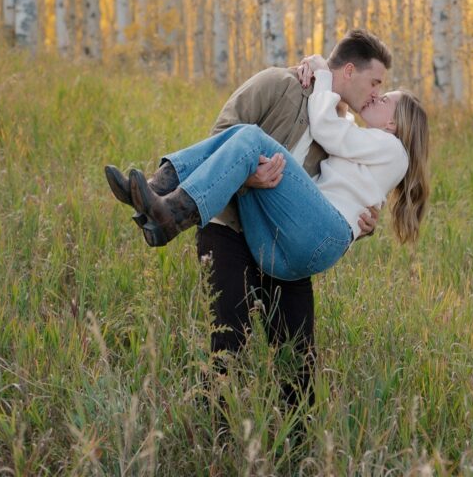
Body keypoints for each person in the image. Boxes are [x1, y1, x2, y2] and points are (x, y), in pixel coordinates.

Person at [104, 30, 412, 405]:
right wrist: (248, 178)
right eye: (375, 82)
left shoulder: (338, 123)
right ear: (349, 71)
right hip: (231, 225)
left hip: (284, 237)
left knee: (297, 362)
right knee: (228, 342)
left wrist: (365, 225)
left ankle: (297, 454)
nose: (377, 93)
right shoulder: (278, 83)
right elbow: (221, 137)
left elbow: (349, 194)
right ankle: (215, 441)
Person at [107, 59, 429, 280]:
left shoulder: (393, 150)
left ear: (393, 123)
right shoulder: (368, 144)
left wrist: (324, 77)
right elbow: (337, 123)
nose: (375, 96)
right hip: (280, 249)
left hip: (319, 235)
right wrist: (317, 69)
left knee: (251, 138)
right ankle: (158, 189)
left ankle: (171, 210)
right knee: (241, 139)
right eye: (375, 86)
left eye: (383, 97)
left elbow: (328, 129)